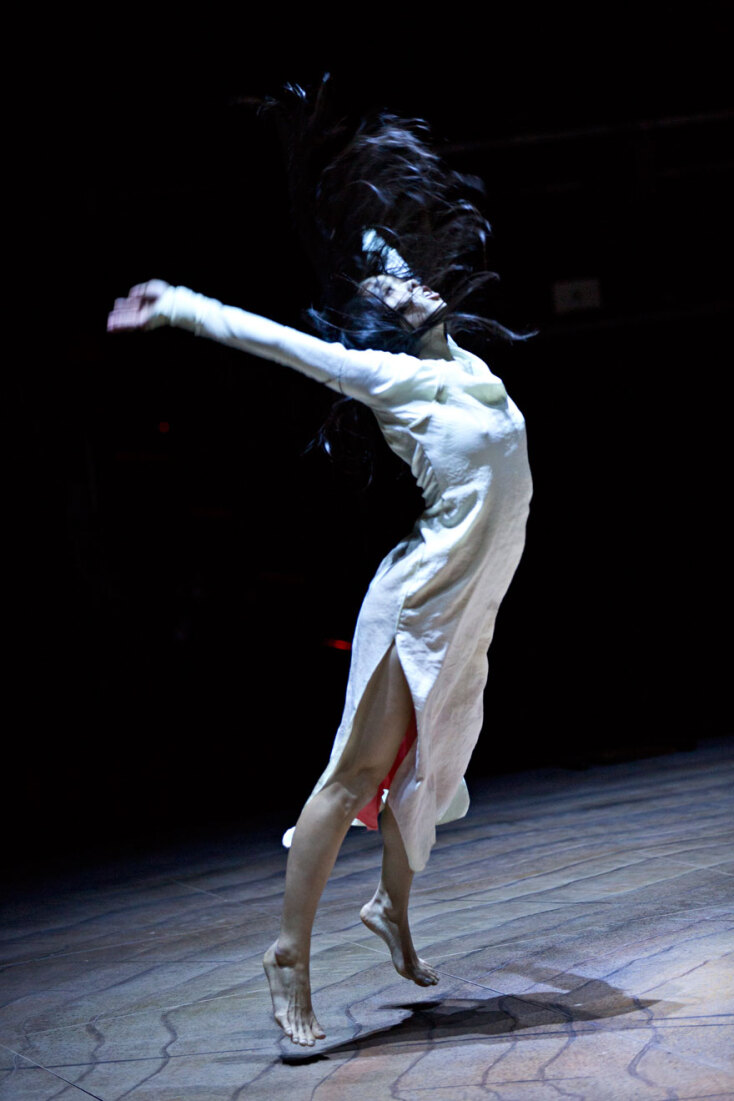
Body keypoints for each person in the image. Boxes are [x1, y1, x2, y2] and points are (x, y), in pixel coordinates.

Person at [107, 98, 533, 1048]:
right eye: (395, 287)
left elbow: (390, 262)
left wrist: (368, 224)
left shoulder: (457, 359)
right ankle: (288, 955)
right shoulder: (388, 377)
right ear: (381, 327)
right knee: (353, 781)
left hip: (470, 601)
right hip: (422, 597)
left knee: (431, 771)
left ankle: (390, 914)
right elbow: (276, 341)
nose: (413, 283)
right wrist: (179, 304)